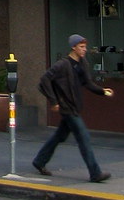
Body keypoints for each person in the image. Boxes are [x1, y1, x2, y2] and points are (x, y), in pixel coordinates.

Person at [33, 34, 114, 183]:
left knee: (59, 136)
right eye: (81, 47)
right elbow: (44, 79)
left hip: (75, 106)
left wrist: (103, 91)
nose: (84, 50)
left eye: (85, 47)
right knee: (84, 138)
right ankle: (95, 173)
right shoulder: (62, 64)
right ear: (73, 47)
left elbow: (88, 83)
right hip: (67, 107)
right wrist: (53, 101)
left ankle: (39, 161)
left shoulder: (83, 63)